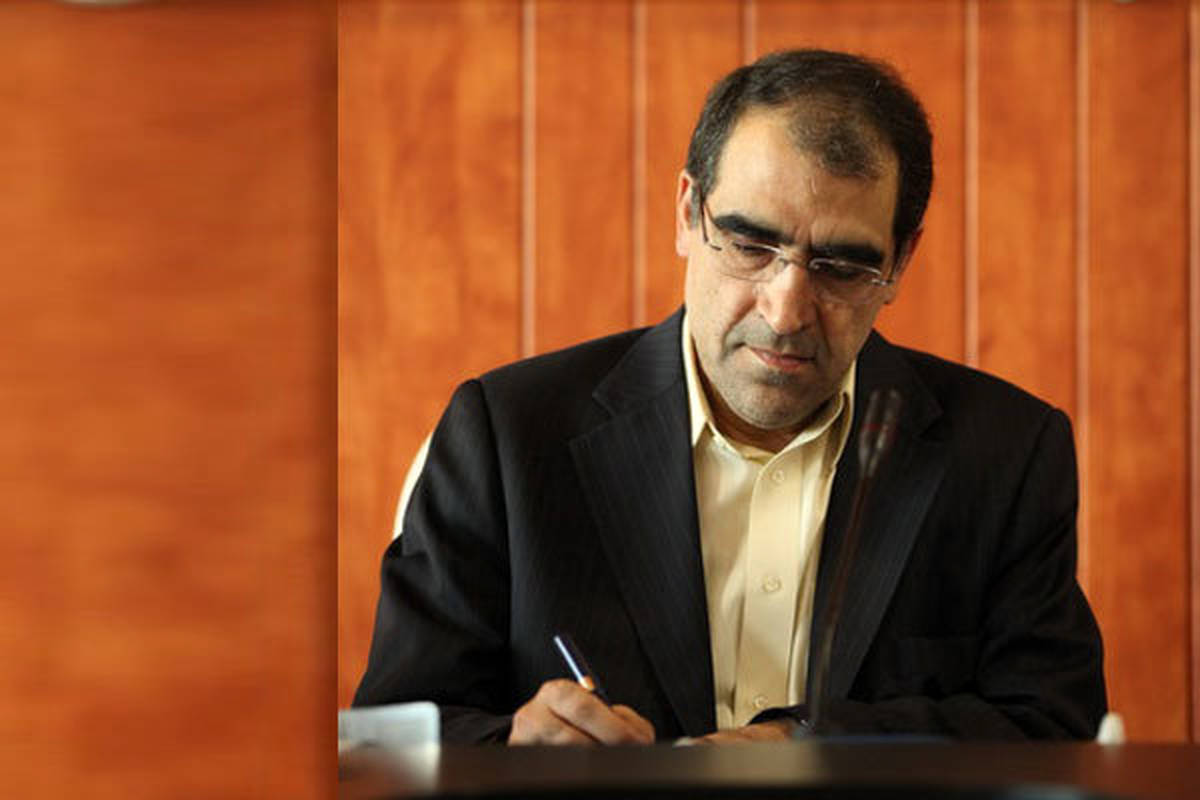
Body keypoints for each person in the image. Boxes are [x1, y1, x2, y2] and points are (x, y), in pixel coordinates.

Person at [353, 49, 1106, 745]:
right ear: (688, 213)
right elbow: (393, 739)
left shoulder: (1005, 454)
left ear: (900, 263)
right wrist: (513, 748)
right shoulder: (508, 434)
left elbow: (1053, 724)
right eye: (750, 246)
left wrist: (806, 747)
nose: (786, 311)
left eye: (842, 268)